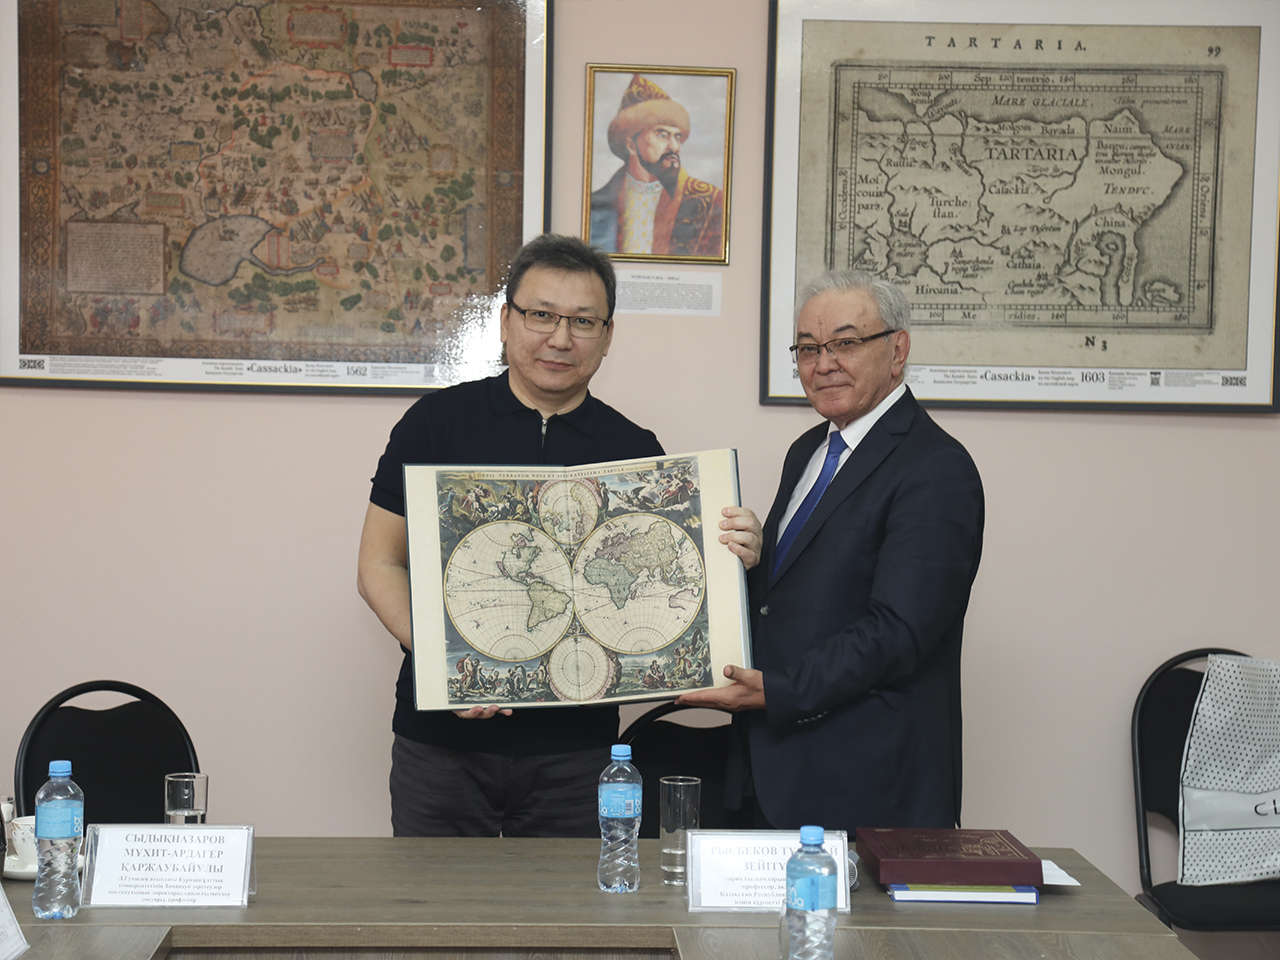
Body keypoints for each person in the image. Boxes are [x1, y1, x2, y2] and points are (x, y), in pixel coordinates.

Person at [357, 234, 669, 838]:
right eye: (541, 315)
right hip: (441, 744)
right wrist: (451, 662)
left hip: (578, 752)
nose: (560, 338)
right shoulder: (434, 425)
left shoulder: (635, 451)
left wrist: (734, 550)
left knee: (571, 902)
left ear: (607, 336)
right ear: (505, 321)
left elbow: (650, 591)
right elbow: (378, 565)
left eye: (583, 321)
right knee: (431, 897)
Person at [679, 270, 985, 835]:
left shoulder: (936, 467)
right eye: (808, 348)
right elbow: (795, 598)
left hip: (865, 783)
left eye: (846, 343)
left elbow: (899, 632)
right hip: (774, 767)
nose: (824, 364)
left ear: (898, 351)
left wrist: (778, 691)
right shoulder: (809, 450)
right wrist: (753, 564)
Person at [588, 74, 724, 258]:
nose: (675, 147)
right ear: (631, 146)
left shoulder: (713, 202)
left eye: (677, 137)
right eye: (662, 135)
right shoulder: (595, 205)